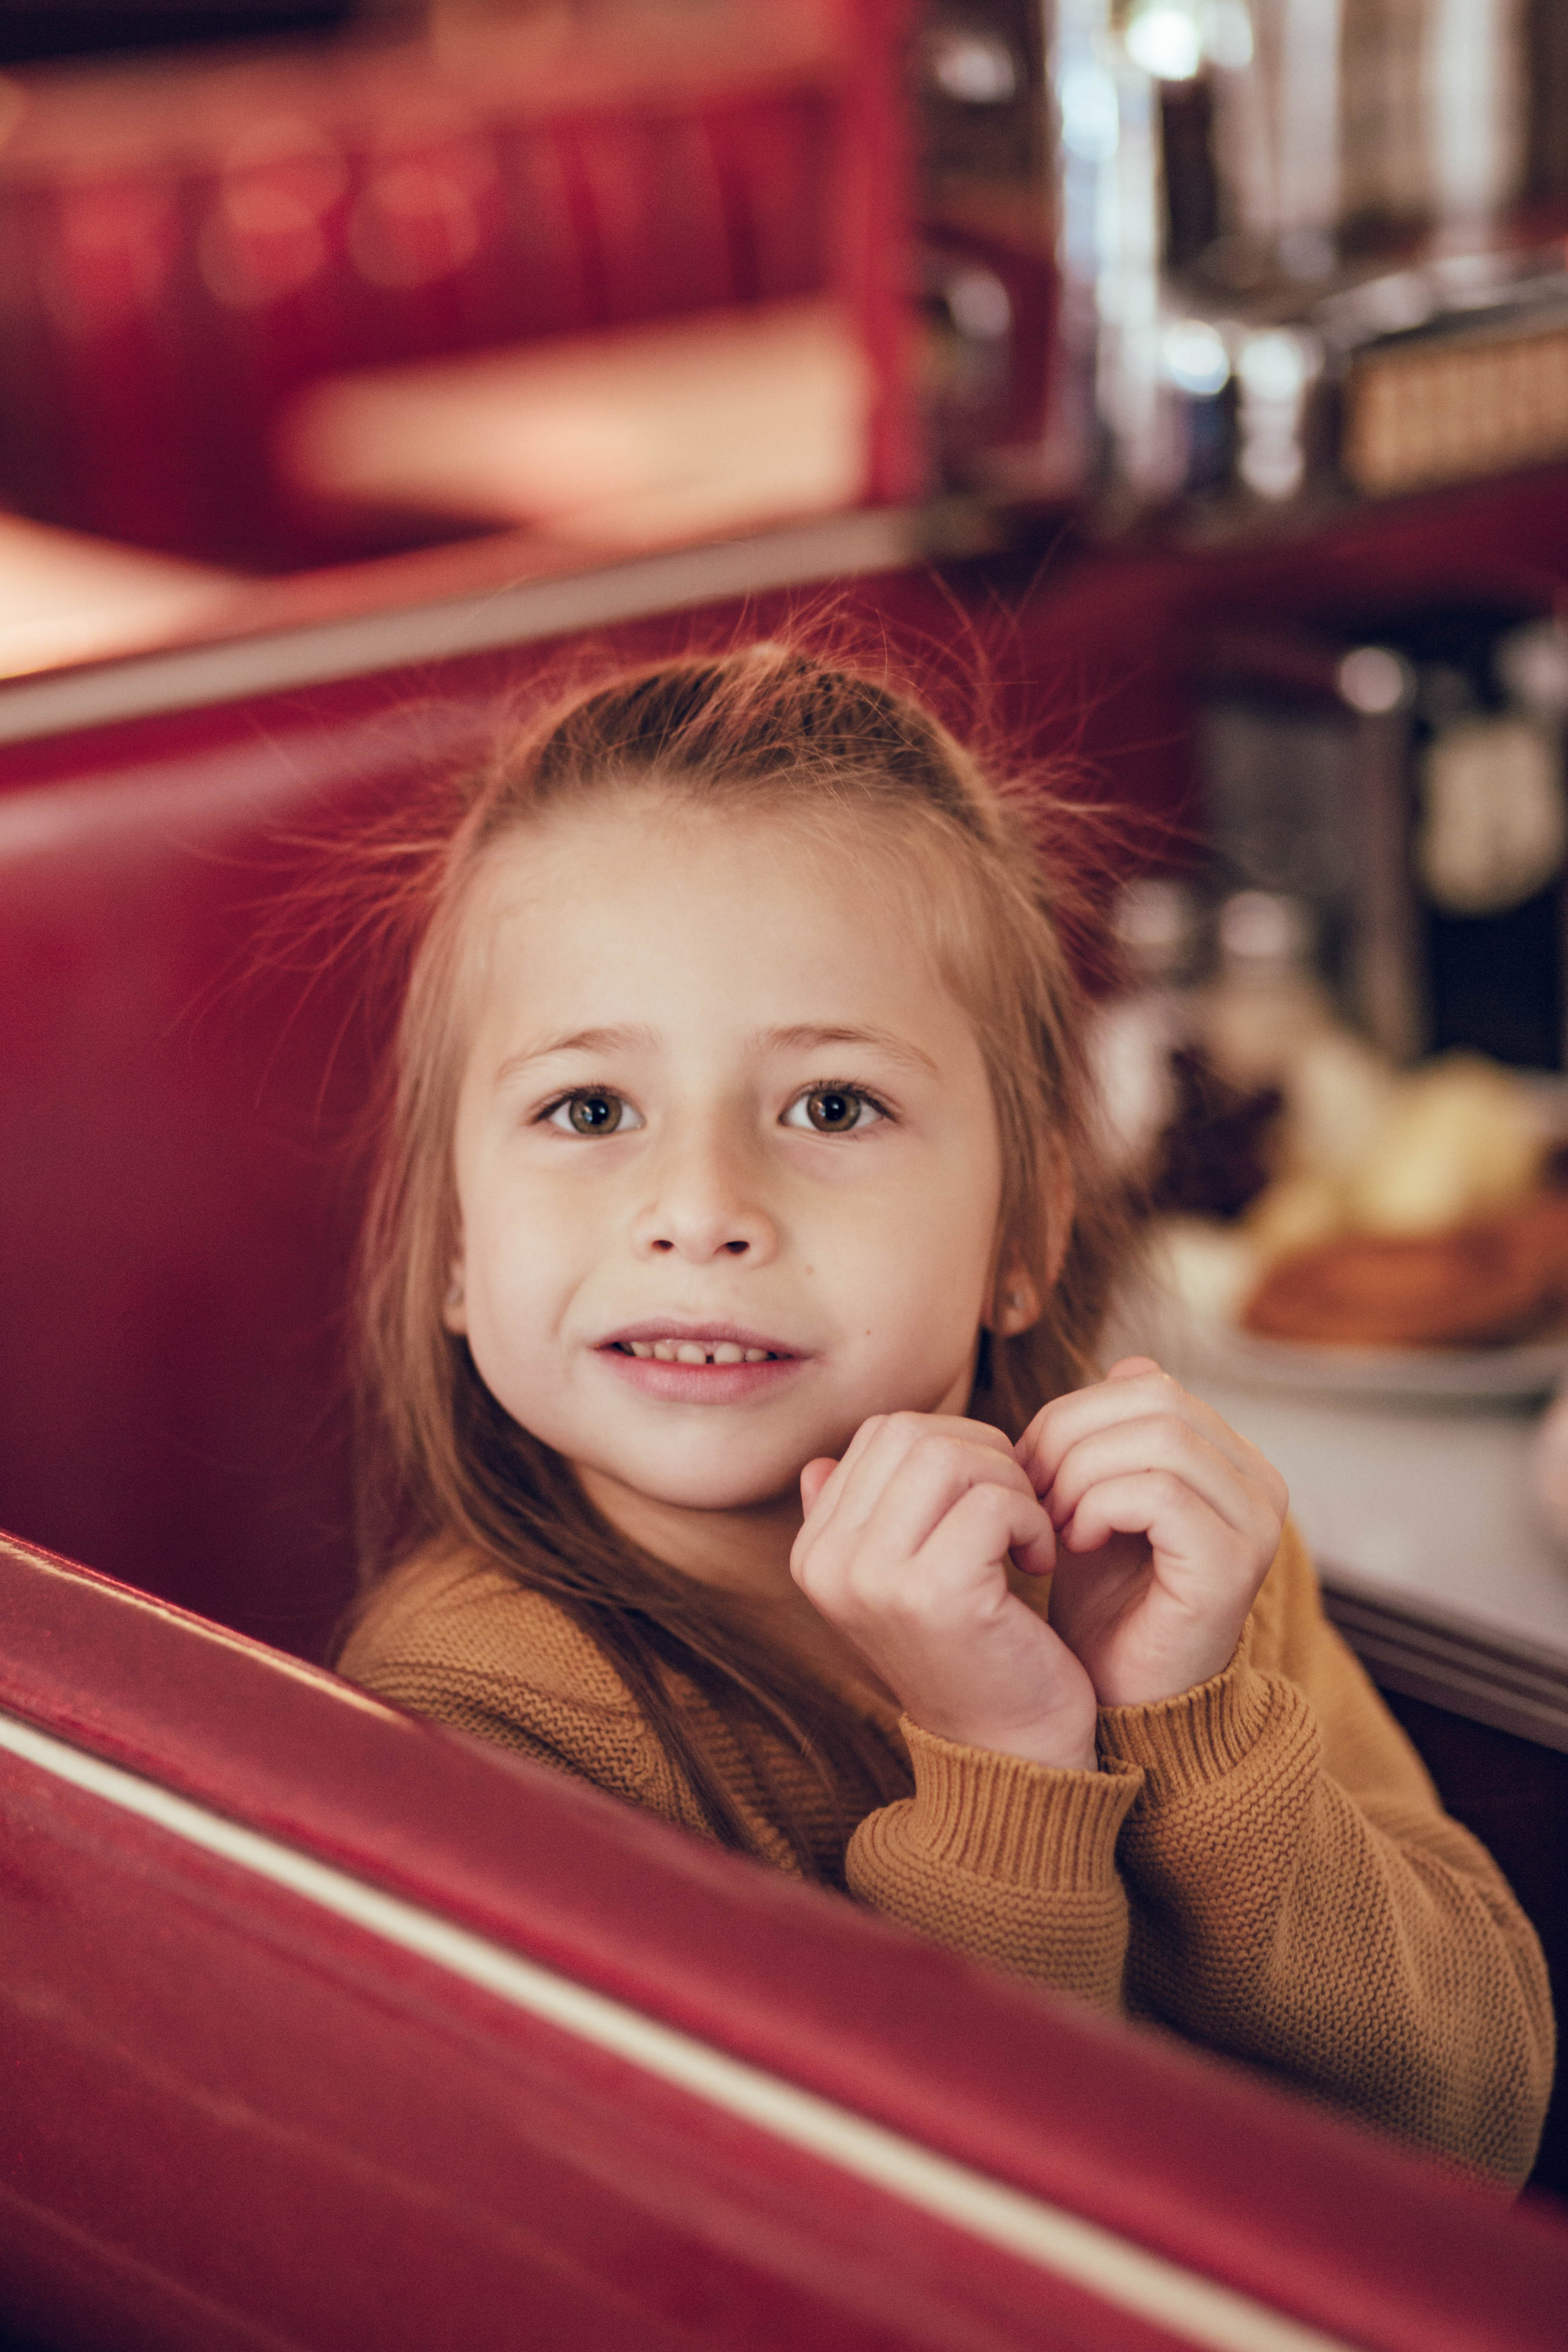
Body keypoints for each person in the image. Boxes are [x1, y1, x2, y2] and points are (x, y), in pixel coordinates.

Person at [337, 646, 1553, 2187]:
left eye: (832, 1107)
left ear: (1025, 1230)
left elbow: (1469, 2133)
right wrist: (1005, 1767)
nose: (700, 1211)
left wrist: (1182, 1723)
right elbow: (894, 2262)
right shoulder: (473, 1715)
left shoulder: (1175, 1567)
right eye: (589, 1112)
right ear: (454, 1243)